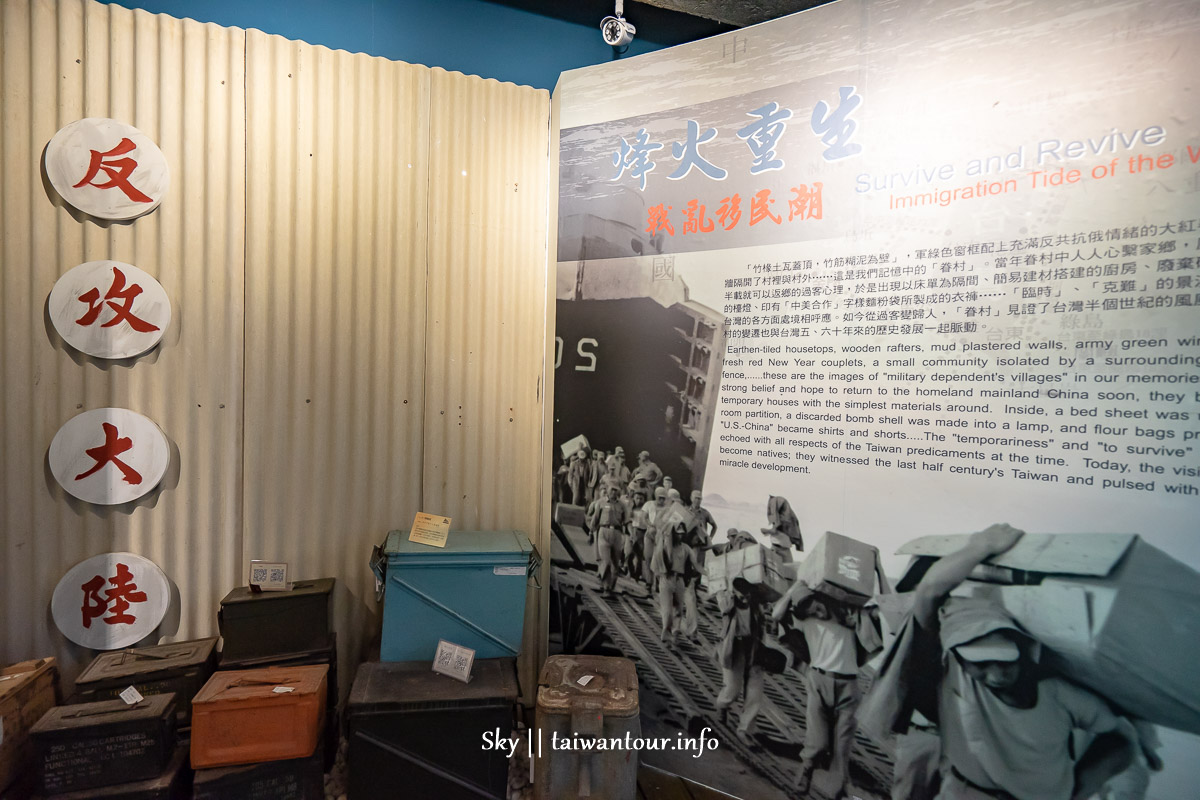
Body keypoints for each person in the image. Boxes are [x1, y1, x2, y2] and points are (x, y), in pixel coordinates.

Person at [858, 523, 1142, 800]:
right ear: (955, 657)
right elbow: (930, 591)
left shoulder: (1058, 694)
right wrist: (982, 546)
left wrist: (1078, 789)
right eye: (980, 665)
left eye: (1006, 662)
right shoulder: (954, 677)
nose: (995, 675)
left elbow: (1121, 739)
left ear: (1024, 652)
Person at [771, 582, 881, 799]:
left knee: (842, 747)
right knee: (818, 741)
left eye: (817, 606)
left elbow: (879, 609)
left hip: (849, 687)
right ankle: (807, 768)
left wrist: (876, 566)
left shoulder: (849, 617)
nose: (816, 612)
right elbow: (776, 615)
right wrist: (794, 589)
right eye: (809, 610)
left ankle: (839, 788)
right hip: (818, 681)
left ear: (823, 599)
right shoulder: (804, 621)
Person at [587, 484, 628, 598]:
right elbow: (595, 519)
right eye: (612, 490)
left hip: (617, 533)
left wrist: (628, 537)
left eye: (616, 490)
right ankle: (606, 587)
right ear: (607, 491)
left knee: (616, 563)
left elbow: (626, 521)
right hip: (603, 531)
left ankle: (611, 586)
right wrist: (591, 532)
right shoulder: (600, 503)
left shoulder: (622, 505)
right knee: (606, 562)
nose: (613, 493)